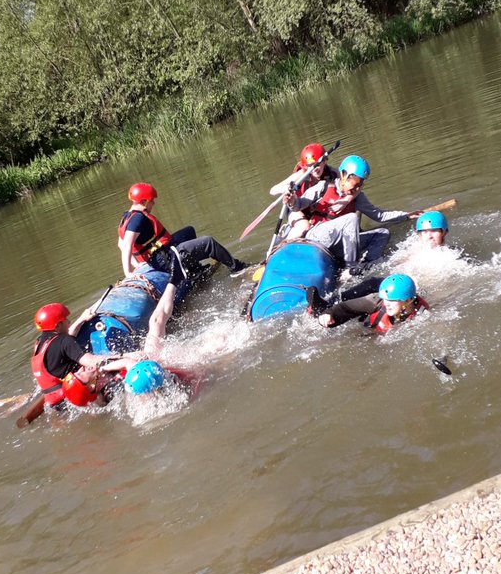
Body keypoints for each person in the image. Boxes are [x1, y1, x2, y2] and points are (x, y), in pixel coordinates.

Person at [119, 182, 247, 341]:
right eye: (152, 201)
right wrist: (129, 272)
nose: (153, 204)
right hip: (166, 258)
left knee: (189, 231)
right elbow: (127, 245)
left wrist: (138, 264)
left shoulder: (127, 216)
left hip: (163, 252)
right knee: (208, 242)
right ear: (144, 201)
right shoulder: (138, 219)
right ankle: (238, 268)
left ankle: (194, 271)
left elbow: (120, 243)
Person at [283, 154, 421, 270]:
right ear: (343, 175)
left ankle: (366, 266)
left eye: (360, 184)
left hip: (339, 246)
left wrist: (407, 215)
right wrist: (292, 200)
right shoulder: (323, 187)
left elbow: (380, 215)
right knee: (352, 218)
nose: (357, 189)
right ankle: (351, 267)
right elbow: (299, 204)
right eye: (355, 184)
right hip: (317, 237)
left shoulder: (358, 197)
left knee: (383, 233)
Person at [32, 301, 132, 409]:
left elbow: (64, 340)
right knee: (111, 375)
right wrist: (125, 356)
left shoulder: (39, 343)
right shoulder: (64, 341)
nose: (69, 322)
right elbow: (92, 361)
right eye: (65, 320)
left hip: (54, 397)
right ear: (58, 326)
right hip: (76, 392)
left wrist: (82, 319)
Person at [315, 272, 430, 333]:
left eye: (392, 300)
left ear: (408, 300)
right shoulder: (376, 301)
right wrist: (328, 315)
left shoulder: (422, 313)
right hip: (369, 330)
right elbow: (345, 309)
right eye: (386, 299)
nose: (387, 303)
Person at [269, 142, 339, 198]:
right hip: (298, 206)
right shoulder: (301, 174)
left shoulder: (333, 172)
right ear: (305, 166)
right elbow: (273, 190)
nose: (314, 168)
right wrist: (285, 188)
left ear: (325, 161)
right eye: (309, 165)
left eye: (316, 164)